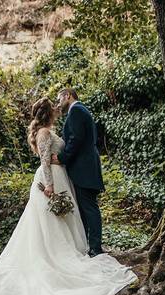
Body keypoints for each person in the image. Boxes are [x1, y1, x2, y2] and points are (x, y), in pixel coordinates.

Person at [0, 96, 136, 295]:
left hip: (62, 180)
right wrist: (49, 186)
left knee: (66, 221)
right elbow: (44, 161)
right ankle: (60, 255)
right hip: (52, 182)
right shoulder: (43, 133)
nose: (58, 110)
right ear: (48, 113)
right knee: (53, 223)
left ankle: (77, 249)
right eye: (54, 108)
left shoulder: (49, 130)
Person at [53, 88, 104, 256]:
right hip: (85, 167)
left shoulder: (76, 111)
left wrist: (61, 158)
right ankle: (89, 246)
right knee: (85, 208)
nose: (59, 103)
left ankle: (96, 248)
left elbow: (75, 139)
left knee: (89, 207)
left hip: (85, 168)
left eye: (60, 99)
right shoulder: (81, 110)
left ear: (68, 96)